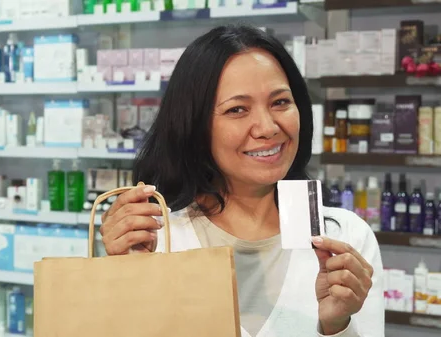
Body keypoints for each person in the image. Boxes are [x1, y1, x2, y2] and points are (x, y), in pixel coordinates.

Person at [99, 24, 383, 337]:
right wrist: (121, 277)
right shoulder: (156, 238)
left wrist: (335, 326)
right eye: (237, 109)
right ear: (195, 125)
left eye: (280, 102)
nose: (267, 127)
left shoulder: (345, 237)